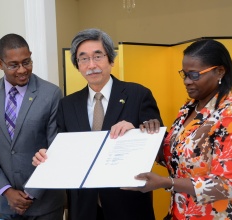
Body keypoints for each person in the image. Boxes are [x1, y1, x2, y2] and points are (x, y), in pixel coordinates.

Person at [32, 28, 163, 220]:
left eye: (98, 56)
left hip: (128, 205)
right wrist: (46, 156)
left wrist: (136, 132)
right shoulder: (67, 105)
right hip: (84, 207)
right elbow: (62, 149)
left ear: (111, 59)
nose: (91, 65)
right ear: (77, 65)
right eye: (83, 59)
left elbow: (159, 148)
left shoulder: (138, 95)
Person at [127, 39, 232, 219]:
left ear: (220, 71)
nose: (186, 81)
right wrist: (142, 137)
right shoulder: (189, 107)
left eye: (194, 75)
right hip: (181, 212)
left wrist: (166, 182)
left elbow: (223, 186)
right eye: (184, 74)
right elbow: (177, 158)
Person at [0, 33, 65, 220]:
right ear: (0, 64)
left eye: (27, 62)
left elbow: (56, 150)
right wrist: (7, 192)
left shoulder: (51, 94)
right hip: (7, 205)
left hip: (45, 205)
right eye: (14, 65)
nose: (22, 70)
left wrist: (28, 195)